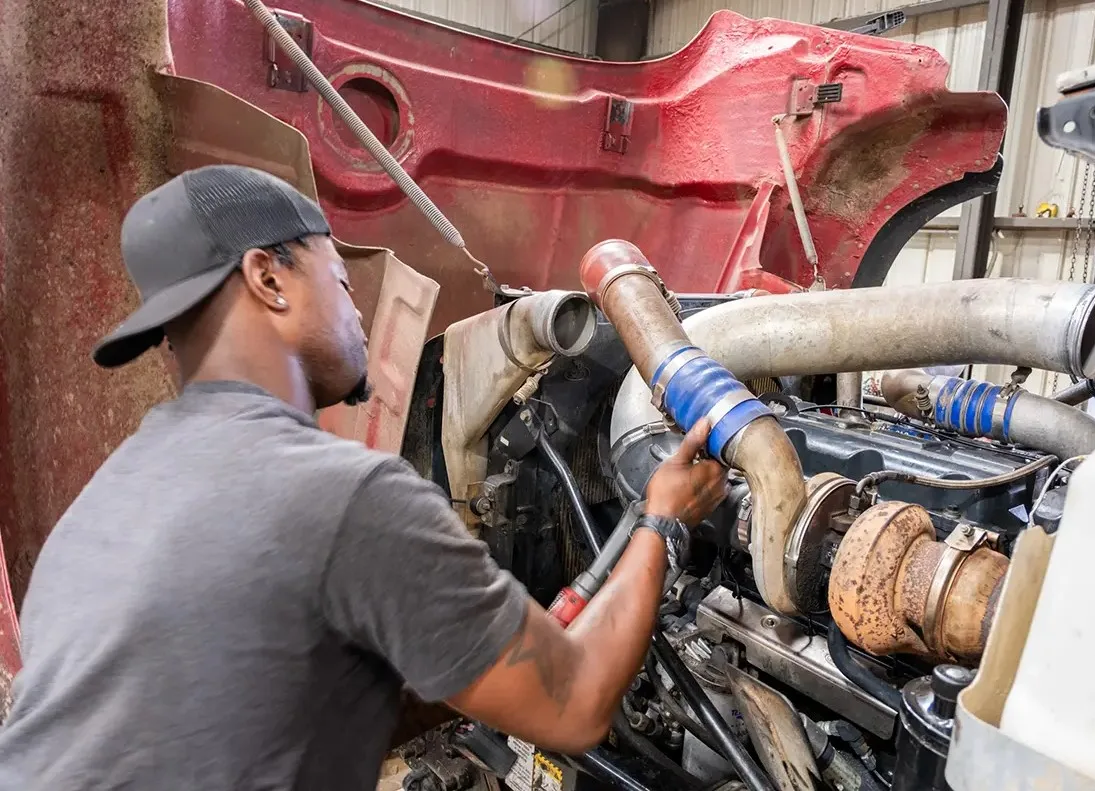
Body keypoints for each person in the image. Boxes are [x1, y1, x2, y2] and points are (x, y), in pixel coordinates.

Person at [0, 165, 727, 790]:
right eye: (343, 283)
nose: (357, 311)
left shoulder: (103, 502)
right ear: (268, 278)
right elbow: (576, 704)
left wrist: (467, 653)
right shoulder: (343, 497)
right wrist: (661, 518)